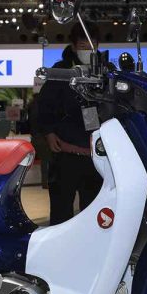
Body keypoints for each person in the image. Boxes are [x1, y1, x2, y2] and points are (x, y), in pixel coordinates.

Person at [38, 21, 104, 225]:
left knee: (95, 212)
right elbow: (44, 105)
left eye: (91, 44)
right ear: (74, 46)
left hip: (96, 154)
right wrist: (49, 132)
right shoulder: (60, 71)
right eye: (83, 45)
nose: (87, 49)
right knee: (61, 210)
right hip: (65, 153)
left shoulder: (105, 71)